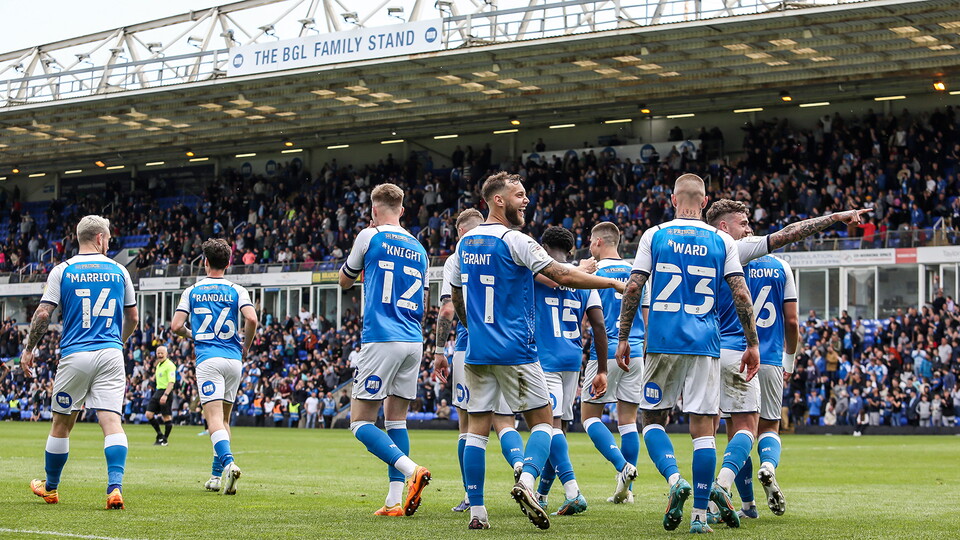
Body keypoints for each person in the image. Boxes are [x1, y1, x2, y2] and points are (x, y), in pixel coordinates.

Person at [448, 171, 625, 530]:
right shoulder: (517, 240)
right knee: (544, 422)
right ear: (498, 200)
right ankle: (527, 481)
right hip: (517, 350)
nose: (526, 200)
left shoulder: (464, 245)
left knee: (476, 433)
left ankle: (478, 513)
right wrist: (610, 281)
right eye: (519, 195)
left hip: (479, 352)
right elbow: (562, 275)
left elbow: (456, 296)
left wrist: (474, 328)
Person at [704, 198, 867, 523]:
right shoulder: (773, 264)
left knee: (732, 429)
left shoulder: (709, 256)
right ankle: (748, 477)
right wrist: (789, 361)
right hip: (763, 354)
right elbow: (792, 322)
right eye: (743, 222)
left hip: (718, 352)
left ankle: (745, 504)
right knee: (763, 427)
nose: (749, 228)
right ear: (725, 226)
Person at [615, 174, 759, 534]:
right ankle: (698, 517)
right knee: (703, 431)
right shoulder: (721, 240)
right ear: (706, 201)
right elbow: (741, 295)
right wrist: (752, 342)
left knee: (651, 420)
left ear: (673, 199)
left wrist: (622, 337)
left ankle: (674, 479)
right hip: (705, 344)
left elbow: (634, 287)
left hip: (661, 342)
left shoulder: (655, 234)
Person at [23, 215, 138, 509]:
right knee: (112, 422)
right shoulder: (120, 271)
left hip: (75, 354)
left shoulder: (63, 270)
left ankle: (50, 488)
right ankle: (114, 488)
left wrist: (29, 348)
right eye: (109, 238)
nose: (109, 242)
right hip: (111, 354)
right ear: (99, 238)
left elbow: (44, 314)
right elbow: (133, 318)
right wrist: (117, 342)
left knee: (61, 424)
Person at [339, 183, 431, 517]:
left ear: (374, 210)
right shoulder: (419, 247)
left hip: (381, 337)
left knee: (360, 422)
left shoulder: (369, 235)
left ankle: (412, 471)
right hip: (413, 339)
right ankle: (394, 502)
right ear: (402, 210)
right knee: (396, 421)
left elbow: (345, 280)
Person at [434, 209, 526, 515]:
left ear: (461, 232)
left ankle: (471, 498)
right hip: (506, 346)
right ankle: (522, 469)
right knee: (504, 420)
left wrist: (437, 351)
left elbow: (448, 310)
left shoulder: (458, 255)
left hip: (468, 348)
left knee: (468, 425)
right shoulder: (505, 246)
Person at [171, 238, 258, 495]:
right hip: (233, 359)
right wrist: (247, 345)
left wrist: (194, 335)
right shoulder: (237, 289)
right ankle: (215, 477)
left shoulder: (193, 290)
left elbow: (176, 327)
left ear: (205, 262)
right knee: (224, 420)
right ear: (229, 262)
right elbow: (251, 318)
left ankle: (229, 463)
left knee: (213, 421)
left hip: (209, 359)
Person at [533, 226, 609, 515]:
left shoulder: (534, 273)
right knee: (559, 428)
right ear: (572, 249)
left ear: (541, 247)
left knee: (548, 427)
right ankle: (542, 494)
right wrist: (601, 369)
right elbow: (599, 326)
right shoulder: (585, 280)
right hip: (572, 358)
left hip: (545, 357)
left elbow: (550, 276)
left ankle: (572, 490)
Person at [580, 221, 644, 504]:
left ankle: (623, 467)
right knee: (628, 421)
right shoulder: (635, 272)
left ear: (597, 243)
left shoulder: (595, 274)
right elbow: (645, 312)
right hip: (637, 349)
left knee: (589, 417)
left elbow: (589, 319)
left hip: (605, 353)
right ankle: (626, 492)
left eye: (590, 243)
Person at [145, 346, 176, 446]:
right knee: (148, 414)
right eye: (158, 353)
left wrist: (165, 395)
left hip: (165, 392)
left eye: (162, 353)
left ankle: (165, 440)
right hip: (158, 391)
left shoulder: (170, 365)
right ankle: (159, 435)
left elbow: (171, 382)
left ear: (166, 354)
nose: (160, 355)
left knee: (166, 417)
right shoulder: (159, 365)